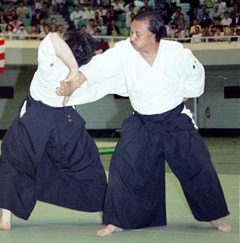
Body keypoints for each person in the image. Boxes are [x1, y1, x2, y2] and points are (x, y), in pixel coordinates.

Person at [56, 11, 232, 236]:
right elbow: (98, 66)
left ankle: (215, 216)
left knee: (197, 164)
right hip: (142, 122)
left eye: (137, 33)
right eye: (131, 32)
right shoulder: (124, 51)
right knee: (123, 166)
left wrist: (188, 93)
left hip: (174, 120)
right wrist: (75, 83)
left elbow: (197, 75)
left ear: (153, 35)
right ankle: (116, 220)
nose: (131, 37)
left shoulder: (177, 53)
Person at [0, 30, 107, 231]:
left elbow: (52, 37)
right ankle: (110, 214)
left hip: (35, 119)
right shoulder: (88, 68)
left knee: (13, 159)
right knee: (88, 163)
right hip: (66, 123)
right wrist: (76, 70)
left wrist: (72, 68)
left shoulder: (50, 60)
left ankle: (5, 220)